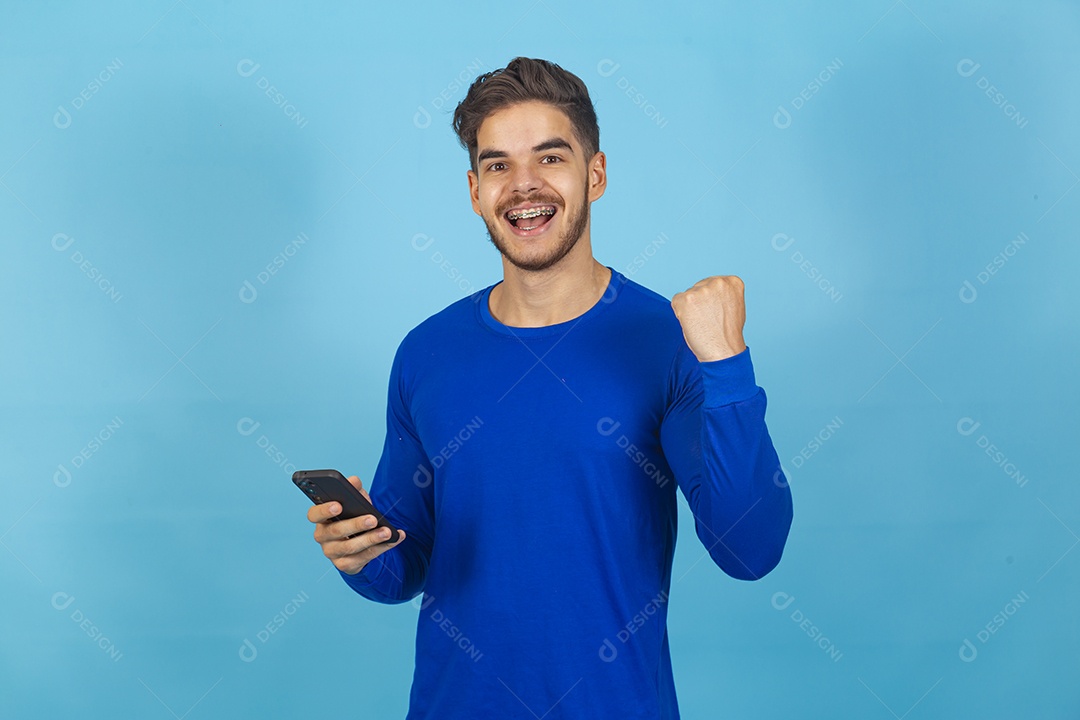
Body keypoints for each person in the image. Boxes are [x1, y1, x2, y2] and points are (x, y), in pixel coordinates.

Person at [306, 56, 793, 719]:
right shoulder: (427, 352)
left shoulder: (668, 339)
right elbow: (405, 567)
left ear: (595, 174)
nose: (523, 186)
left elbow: (749, 549)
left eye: (550, 158)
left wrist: (728, 367)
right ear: (474, 189)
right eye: (499, 164)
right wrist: (360, 554)